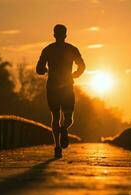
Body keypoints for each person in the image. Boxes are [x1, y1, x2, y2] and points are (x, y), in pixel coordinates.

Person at [36, 24, 85, 158]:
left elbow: (39, 69)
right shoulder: (72, 49)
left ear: (54, 35)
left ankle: (57, 146)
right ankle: (64, 129)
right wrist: (76, 74)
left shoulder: (47, 50)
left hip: (52, 87)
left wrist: (45, 70)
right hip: (67, 87)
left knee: (55, 117)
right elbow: (82, 66)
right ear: (65, 35)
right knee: (68, 117)